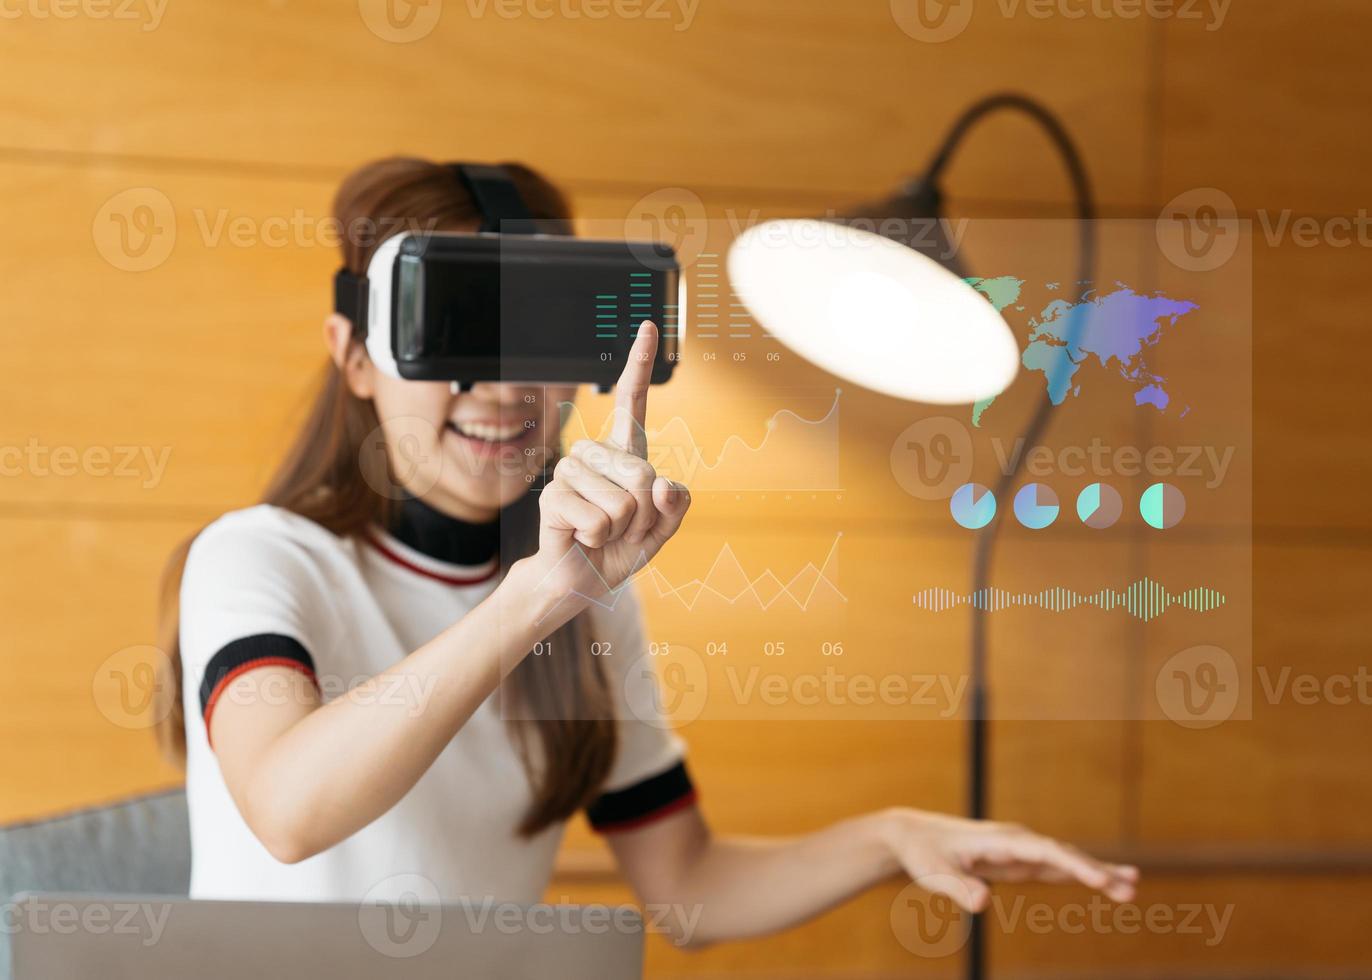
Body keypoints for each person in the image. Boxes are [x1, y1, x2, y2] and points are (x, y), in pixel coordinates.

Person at [154, 156, 1137, 947]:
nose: (502, 388)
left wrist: (891, 834)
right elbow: (289, 809)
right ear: (356, 355)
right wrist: (533, 598)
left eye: (537, 332)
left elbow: (690, 890)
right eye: (456, 328)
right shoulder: (259, 558)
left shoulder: (585, 591)